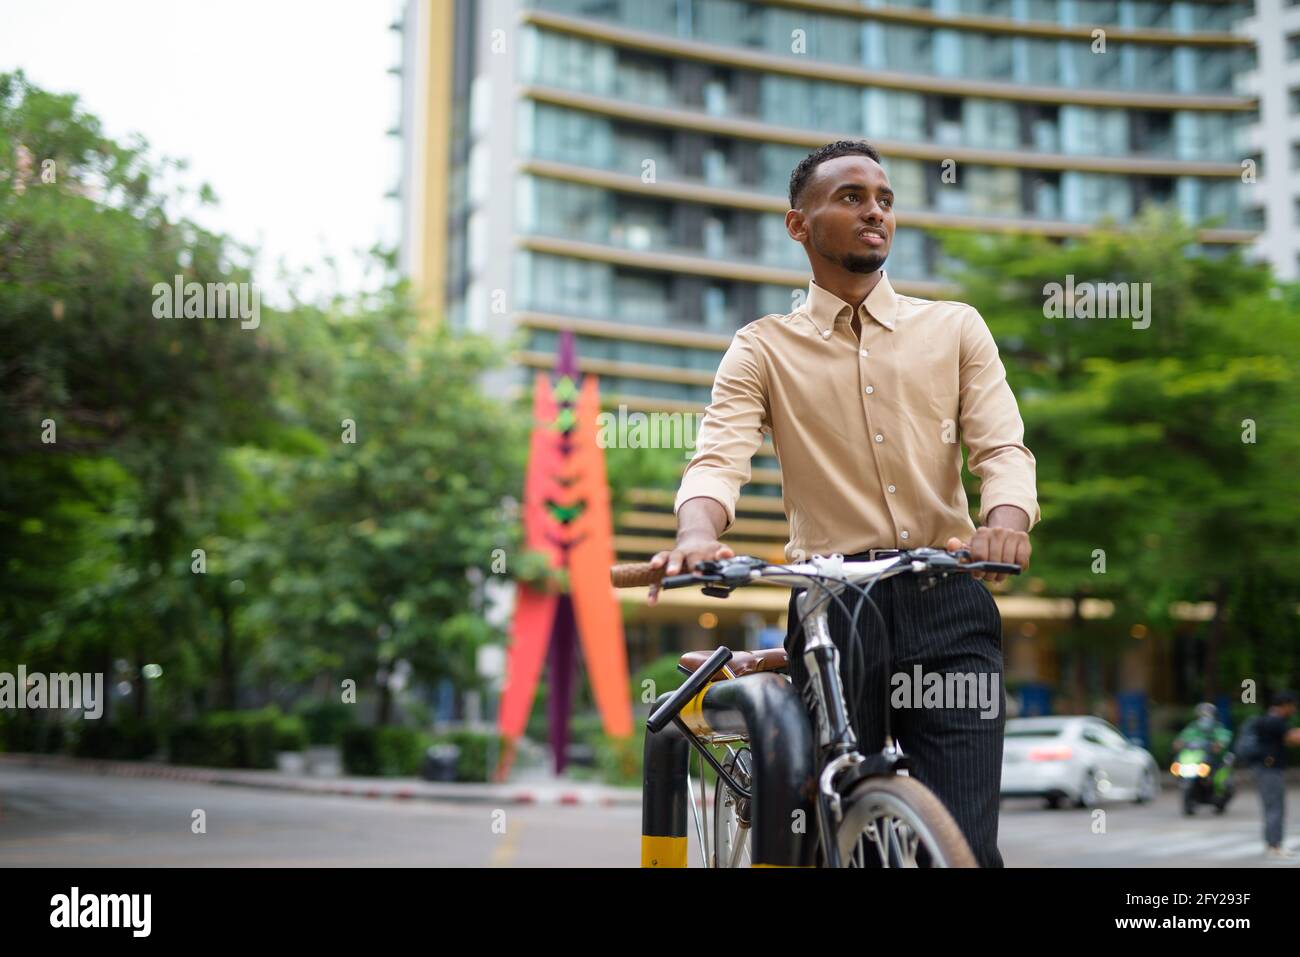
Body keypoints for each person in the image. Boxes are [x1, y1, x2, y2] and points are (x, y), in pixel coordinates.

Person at [645, 140, 1038, 867]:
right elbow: (717, 459)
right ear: (799, 224)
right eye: (852, 196)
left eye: (884, 199)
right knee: (818, 825)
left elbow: (1002, 451)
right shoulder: (762, 348)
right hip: (833, 608)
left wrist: (1004, 523)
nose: (875, 212)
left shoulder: (956, 328)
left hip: (947, 595)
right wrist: (696, 535)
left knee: (963, 846)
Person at [1252, 690, 1300, 859]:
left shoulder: (1268, 720)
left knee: (1272, 807)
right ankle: (1274, 845)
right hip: (1270, 770)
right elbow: (1294, 738)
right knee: (1275, 808)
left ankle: (1271, 844)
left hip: (1266, 769)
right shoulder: (1275, 721)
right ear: (1285, 705)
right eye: (1292, 706)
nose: (1293, 710)